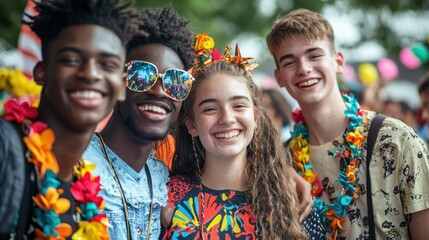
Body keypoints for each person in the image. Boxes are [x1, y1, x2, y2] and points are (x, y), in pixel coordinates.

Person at [266, 8, 429, 239]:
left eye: (314, 55)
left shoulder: (396, 139)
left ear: (338, 61)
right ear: (279, 77)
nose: (303, 68)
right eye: (289, 62)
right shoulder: (283, 161)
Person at [161, 34, 324, 239]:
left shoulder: (295, 203)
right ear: (191, 125)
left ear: (255, 118)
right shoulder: (163, 200)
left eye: (238, 105)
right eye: (210, 109)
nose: (227, 118)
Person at [0, 0, 140, 239]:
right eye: (72, 60)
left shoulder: (85, 195)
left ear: (121, 86)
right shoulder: (5, 148)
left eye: (107, 65)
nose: (90, 74)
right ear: (41, 71)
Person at [82, 6, 195, 240]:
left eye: (175, 82)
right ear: (117, 82)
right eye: (141, 75)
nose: (160, 92)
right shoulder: (76, 161)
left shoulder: (166, 178)